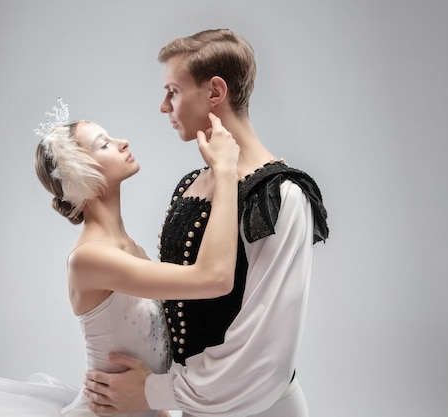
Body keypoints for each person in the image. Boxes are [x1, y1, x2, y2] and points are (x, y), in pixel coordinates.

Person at [0, 99, 240, 417]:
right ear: (82, 172)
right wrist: (225, 171)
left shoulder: (131, 248)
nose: (123, 142)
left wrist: (156, 403)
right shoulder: (90, 258)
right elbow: (210, 279)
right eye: (104, 144)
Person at [84, 29, 329, 417]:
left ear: (215, 92)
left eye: (173, 91)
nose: (164, 106)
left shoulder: (280, 196)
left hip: (259, 408)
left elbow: (265, 352)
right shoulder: (194, 183)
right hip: (199, 406)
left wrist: (154, 392)